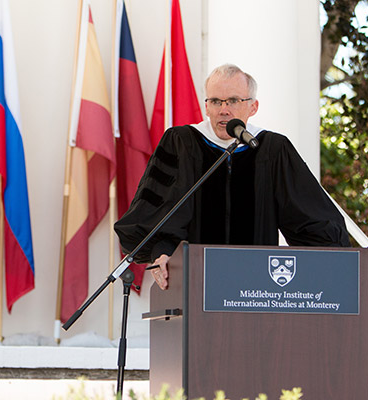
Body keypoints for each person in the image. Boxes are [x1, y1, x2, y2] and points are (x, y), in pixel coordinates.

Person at [114, 64, 350, 290]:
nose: (223, 109)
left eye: (234, 101)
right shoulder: (181, 143)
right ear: (206, 107)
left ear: (253, 107)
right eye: (216, 101)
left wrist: (329, 266)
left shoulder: (273, 149)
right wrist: (161, 252)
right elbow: (158, 213)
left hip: (258, 286)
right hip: (194, 282)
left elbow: (309, 217)